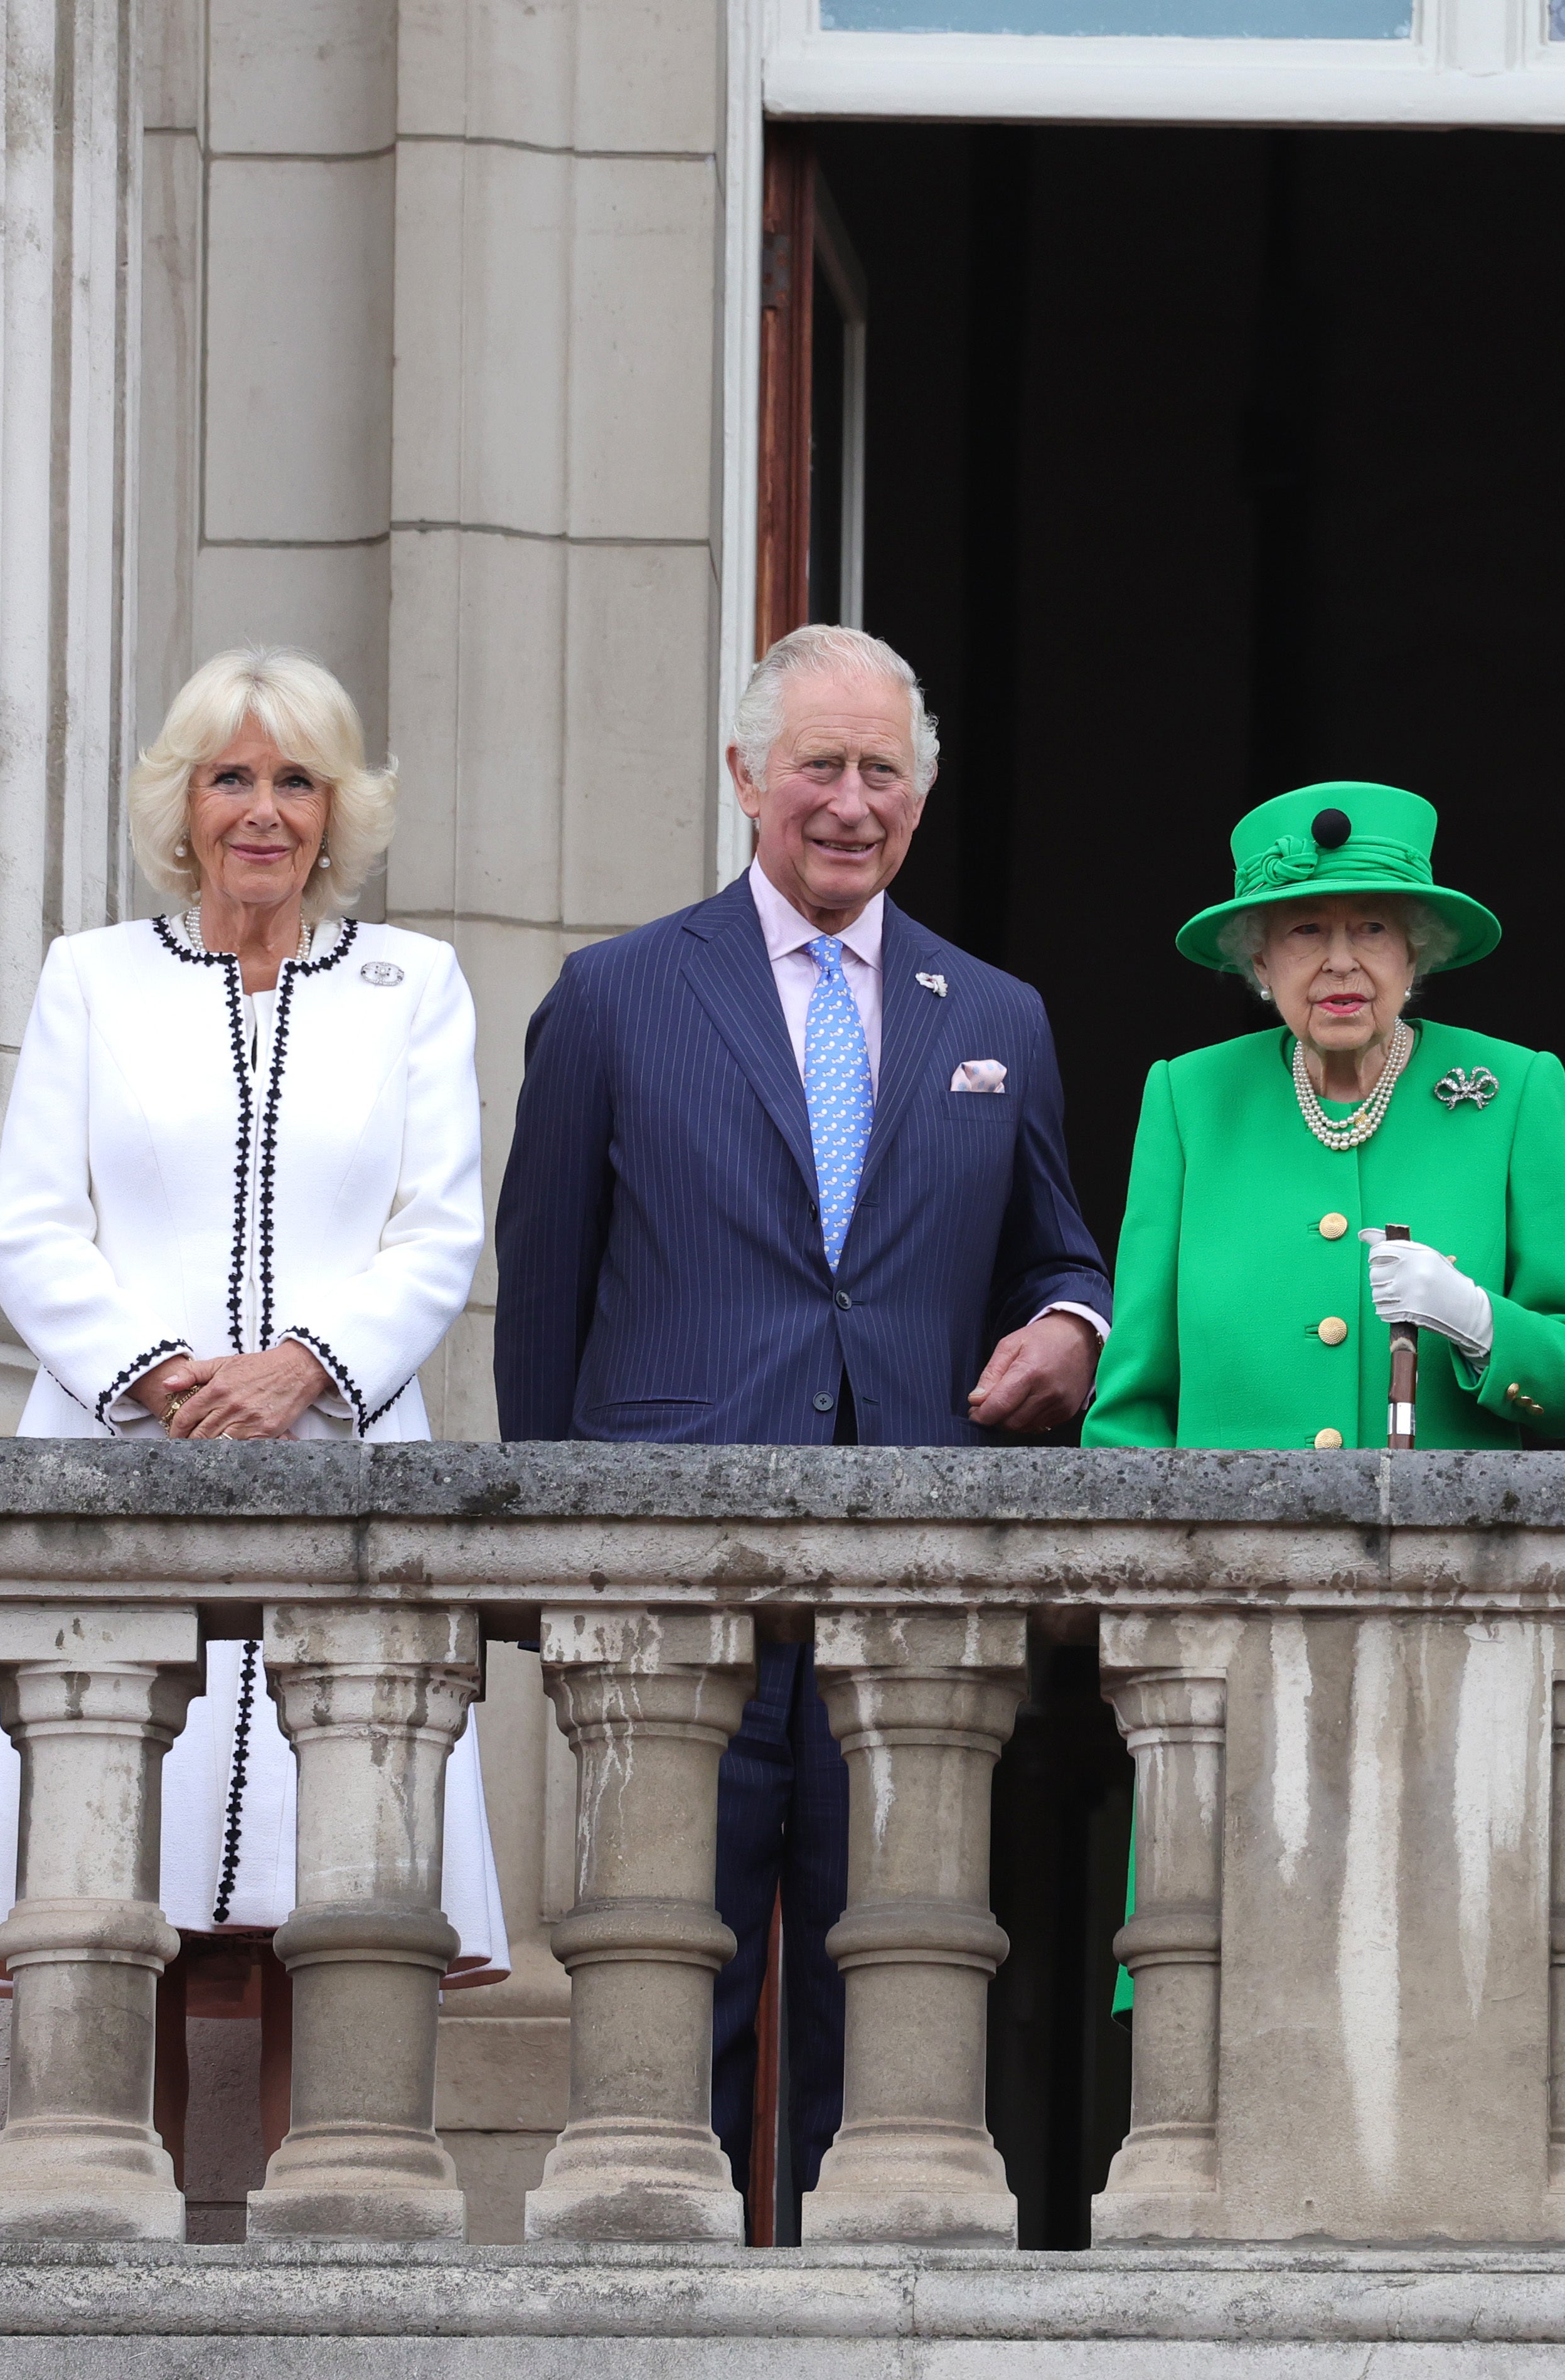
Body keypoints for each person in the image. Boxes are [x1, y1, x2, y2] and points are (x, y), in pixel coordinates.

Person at [494, 622, 1111, 2206]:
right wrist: (550, 1553)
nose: (850, 801)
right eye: (819, 766)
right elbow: (546, 1294)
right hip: (670, 1570)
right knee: (661, 1974)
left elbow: (1060, 1249)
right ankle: (655, 2300)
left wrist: (1068, 1324)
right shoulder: (617, 996)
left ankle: (865, 2300)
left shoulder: (995, 1015)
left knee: (892, 1971)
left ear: (920, 797)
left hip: (907, 1584)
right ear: (744, 776)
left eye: (882, 771)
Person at [0, 645, 508, 2162]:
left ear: (338, 810)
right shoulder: (90, 978)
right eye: (233, 777)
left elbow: (437, 1227)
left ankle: (333, 2229)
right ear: (183, 806)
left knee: (345, 1879)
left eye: (296, 779)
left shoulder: (413, 987)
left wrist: (301, 1367)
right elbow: (35, 1227)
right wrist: (164, 1377)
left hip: (345, 1462)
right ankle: (125, 2224)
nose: (264, 811)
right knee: (133, 1876)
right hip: (125, 1464)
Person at [1082, 780, 1565, 1453]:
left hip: (1441, 1548)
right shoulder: (1189, 1095)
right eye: (1307, 930)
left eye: (1372, 927)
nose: (1342, 961)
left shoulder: (1515, 1089)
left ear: (1415, 953)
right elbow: (1131, 1402)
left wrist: (1480, 1323)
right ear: (1261, 961)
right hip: (1228, 1548)